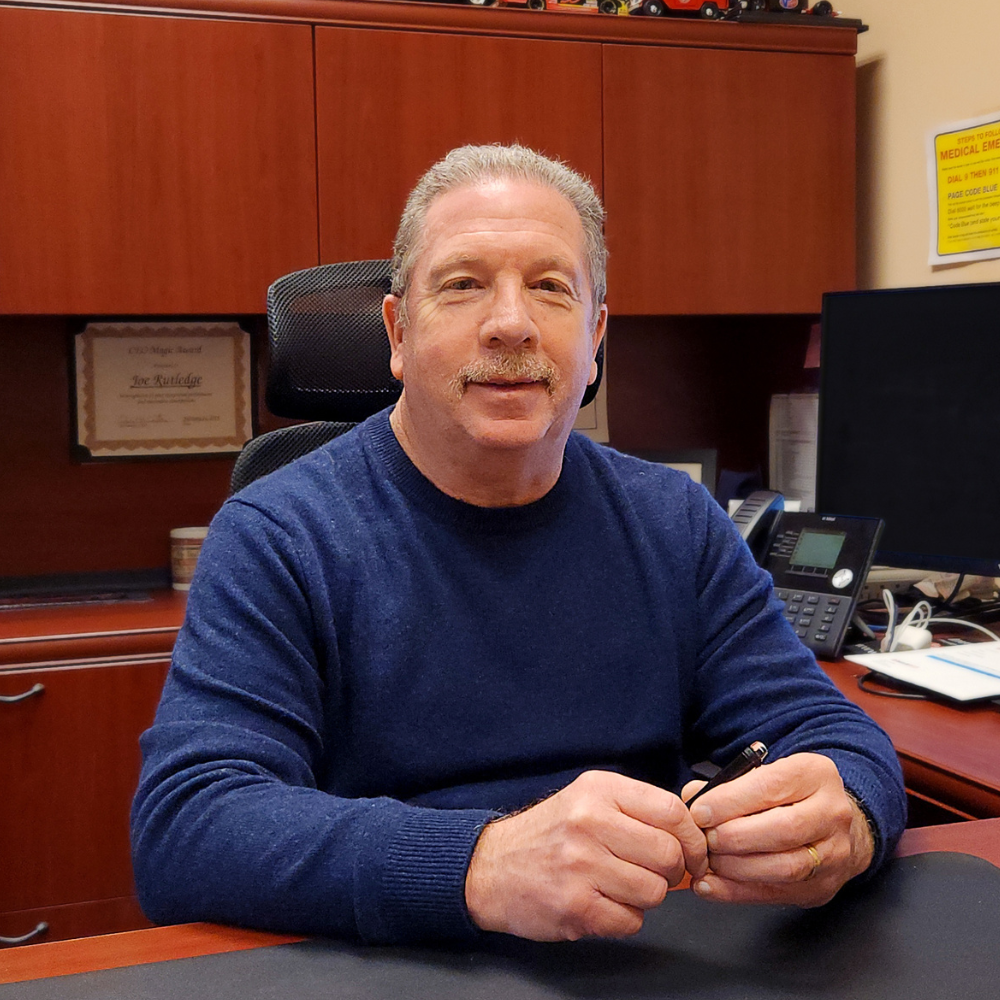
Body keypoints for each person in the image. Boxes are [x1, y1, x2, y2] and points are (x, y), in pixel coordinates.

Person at [131, 144, 906, 946]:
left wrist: (849, 808)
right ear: (398, 331)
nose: (511, 322)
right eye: (463, 285)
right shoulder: (278, 536)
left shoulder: (676, 520)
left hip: (639, 958)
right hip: (395, 965)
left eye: (550, 287)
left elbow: (830, 732)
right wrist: (480, 864)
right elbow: (189, 825)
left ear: (595, 336)